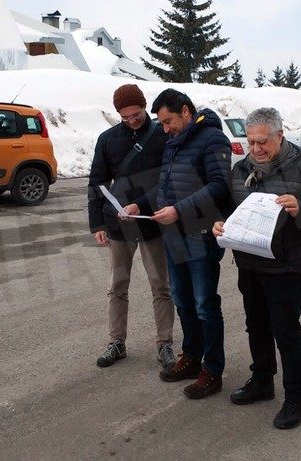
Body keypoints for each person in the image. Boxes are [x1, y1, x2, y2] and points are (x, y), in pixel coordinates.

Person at [212, 107, 301, 429]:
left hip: (287, 268)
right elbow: (228, 209)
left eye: (263, 141)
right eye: (251, 142)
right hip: (249, 264)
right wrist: (220, 224)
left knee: (287, 333)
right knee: (256, 326)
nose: (256, 149)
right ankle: (263, 381)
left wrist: (300, 209)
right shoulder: (241, 170)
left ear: (280, 135)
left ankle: (296, 400)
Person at [124, 89, 233, 399]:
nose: (165, 128)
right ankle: (191, 357)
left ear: (186, 111)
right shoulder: (173, 141)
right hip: (175, 238)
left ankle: (212, 370)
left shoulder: (213, 139)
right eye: (161, 123)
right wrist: (140, 205)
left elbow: (220, 187)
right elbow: (166, 185)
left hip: (200, 236)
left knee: (204, 305)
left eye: (169, 121)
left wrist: (178, 211)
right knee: (183, 301)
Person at [87, 84, 176, 370]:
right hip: (119, 225)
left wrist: (142, 204)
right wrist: (97, 222)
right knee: (117, 286)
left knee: (160, 286)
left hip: (152, 222)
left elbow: (168, 179)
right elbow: (97, 182)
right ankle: (116, 342)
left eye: (136, 114)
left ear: (143, 107)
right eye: (125, 117)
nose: (132, 120)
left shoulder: (162, 135)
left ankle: (165, 345)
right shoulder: (108, 139)